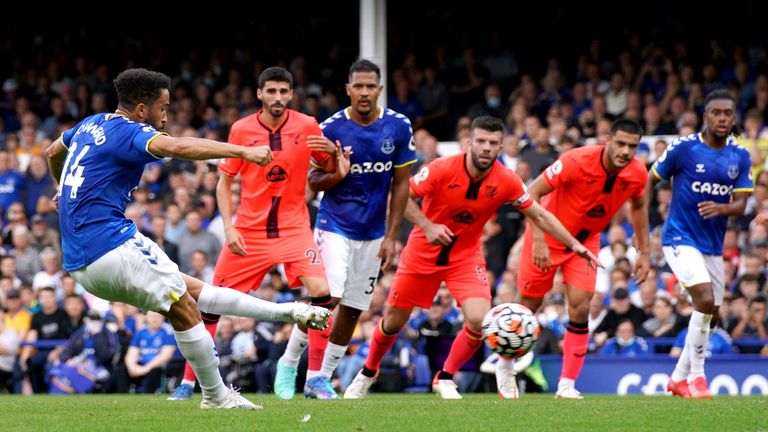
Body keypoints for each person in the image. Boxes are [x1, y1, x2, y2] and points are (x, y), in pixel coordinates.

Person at [46, 68, 330, 409]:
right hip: (109, 246)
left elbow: (52, 153)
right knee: (185, 310)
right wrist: (242, 152)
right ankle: (216, 396)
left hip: (79, 263)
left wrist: (60, 188)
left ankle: (288, 312)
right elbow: (177, 146)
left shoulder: (90, 124)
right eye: (162, 108)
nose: (165, 116)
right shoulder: (130, 131)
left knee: (197, 293)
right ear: (140, 109)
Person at [343, 116, 601, 400]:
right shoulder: (441, 169)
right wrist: (427, 226)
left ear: (501, 148)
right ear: (469, 143)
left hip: (465, 257)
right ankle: (368, 372)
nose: (485, 148)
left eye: (492, 143)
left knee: (479, 320)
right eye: (480, 141)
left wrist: (574, 244)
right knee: (393, 321)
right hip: (421, 253)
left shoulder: (506, 180)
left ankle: (446, 377)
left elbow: (539, 214)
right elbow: (399, 197)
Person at [169, 66, 338, 401]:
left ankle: (315, 377)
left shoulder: (306, 125)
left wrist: (332, 156)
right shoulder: (242, 129)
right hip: (248, 231)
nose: (278, 98)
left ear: (291, 94)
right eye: (271, 91)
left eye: (283, 92)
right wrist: (229, 227)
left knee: (322, 294)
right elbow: (224, 182)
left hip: (293, 228)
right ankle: (189, 382)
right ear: (259, 94)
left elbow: (327, 171)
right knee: (209, 304)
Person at [291, 59, 415, 399]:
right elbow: (313, 181)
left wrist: (392, 236)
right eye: (357, 86)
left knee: (353, 307)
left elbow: (401, 184)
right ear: (348, 89)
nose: (363, 92)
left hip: (374, 233)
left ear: (379, 89)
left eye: (369, 86)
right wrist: (339, 173)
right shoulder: (330, 129)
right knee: (328, 296)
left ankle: (323, 379)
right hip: (335, 225)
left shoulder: (399, 127)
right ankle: (294, 363)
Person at [511, 118, 650, 400]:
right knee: (529, 305)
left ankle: (566, 384)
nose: (625, 151)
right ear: (607, 140)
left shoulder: (637, 173)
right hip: (548, 235)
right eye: (620, 143)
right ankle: (505, 365)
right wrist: (538, 239)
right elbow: (530, 194)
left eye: (632, 147)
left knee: (580, 306)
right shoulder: (576, 159)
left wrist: (644, 251)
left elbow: (639, 206)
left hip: (586, 242)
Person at [649, 89, 751, 399]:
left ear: (733, 119)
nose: (722, 118)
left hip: (712, 244)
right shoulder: (683, 148)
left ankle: (678, 378)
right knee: (704, 302)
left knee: (713, 312)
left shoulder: (740, 155)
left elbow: (741, 205)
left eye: (728, 114)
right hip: (679, 236)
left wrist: (721, 208)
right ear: (705, 117)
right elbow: (647, 180)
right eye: (716, 113)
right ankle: (696, 376)